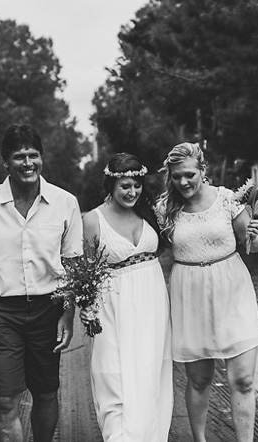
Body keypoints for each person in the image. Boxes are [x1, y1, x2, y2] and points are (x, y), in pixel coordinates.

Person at [0, 123, 83, 442]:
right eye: (19, 156)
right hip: (1, 312)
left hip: (48, 309)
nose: (27, 163)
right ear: (5, 162)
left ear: (42, 158)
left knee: (44, 392)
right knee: (4, 400)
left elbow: (72, 264)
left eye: (33, 155)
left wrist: (67, 314)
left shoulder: (65, 202)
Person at [156, 142, 258, 442]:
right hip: (189, 294)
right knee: (200, 379)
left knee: (242, 379)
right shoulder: (165, 208)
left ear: (203, 170)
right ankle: (200, 439)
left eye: (189, 174)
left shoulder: (227, 199)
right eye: (176, 176)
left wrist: (255, 236)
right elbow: (150, 247)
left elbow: (252, 247)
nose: (183, 182)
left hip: (232, 289)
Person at [81, 152, 173, 441]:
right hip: (113, 304)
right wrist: (87, 307)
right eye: (125, 186)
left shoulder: (150, 213)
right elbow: (86, 271)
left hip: (152, 300)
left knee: (149, 370)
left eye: (137, 185)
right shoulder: (93, 220)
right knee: (114, 374)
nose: (132, 192)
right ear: (111, 186)